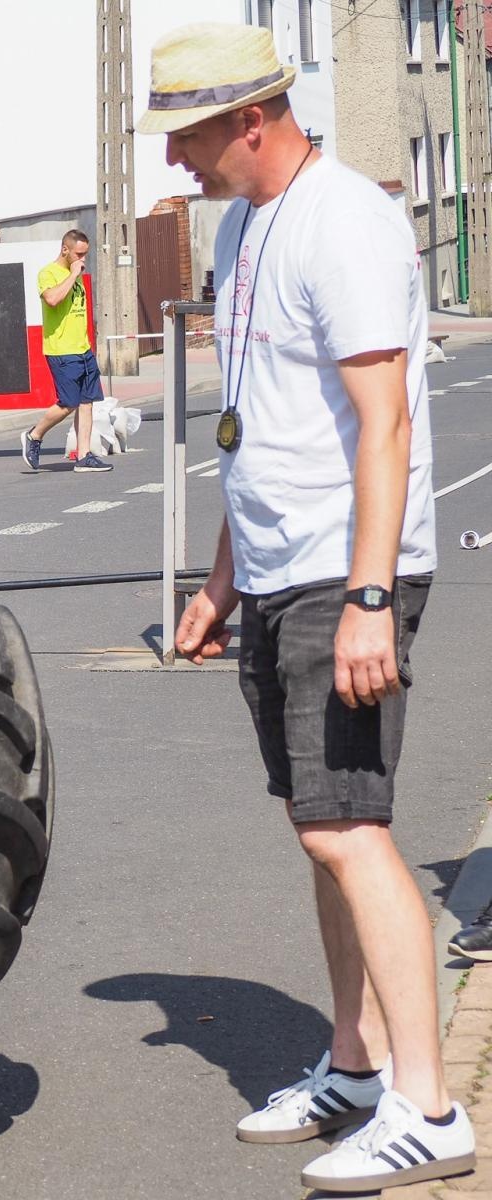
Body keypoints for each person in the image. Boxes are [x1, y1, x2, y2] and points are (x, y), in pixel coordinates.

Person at [150, 22, 473, 1193]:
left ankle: (426, 1107)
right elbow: (263, 424)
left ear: (251, 117)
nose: (173, 158)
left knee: (349, 826)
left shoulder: (341, 221)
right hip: (283, 571)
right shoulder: (243, 227)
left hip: (349, 571)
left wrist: (371, 598)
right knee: (319, 828)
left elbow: (381, 425)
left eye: (186, 133)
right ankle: (353, 1063)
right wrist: (225, 580)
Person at [19, 230, 112, 474]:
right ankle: (34, 435)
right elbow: (52, 299)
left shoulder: (77, 273)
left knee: (87, 402)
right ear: (65, 250)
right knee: (68, 403)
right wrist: (72, 275)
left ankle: (83, 456)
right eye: (79, 253)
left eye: (85, 254)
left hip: (83, 348)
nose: (83, 258)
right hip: (61, 349)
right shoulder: (48, 273)